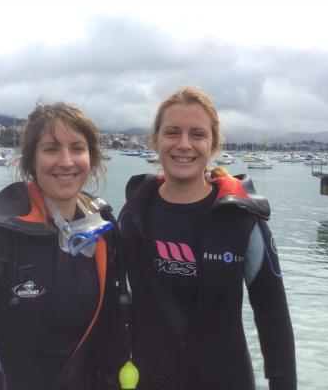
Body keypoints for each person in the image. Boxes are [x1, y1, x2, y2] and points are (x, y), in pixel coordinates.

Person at [118, 85, 297, 390]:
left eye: (197, 134)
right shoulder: (132, 217)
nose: (184, 144)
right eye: (172, 132)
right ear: (156, 141)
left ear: (213, 144)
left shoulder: (241, 220)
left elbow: (273, 315)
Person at [0, 102, 125, 390]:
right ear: (30, 160)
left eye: (77, 148)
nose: (66, 161)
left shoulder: (103, 231)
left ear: (92, 158)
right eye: (51, 149)